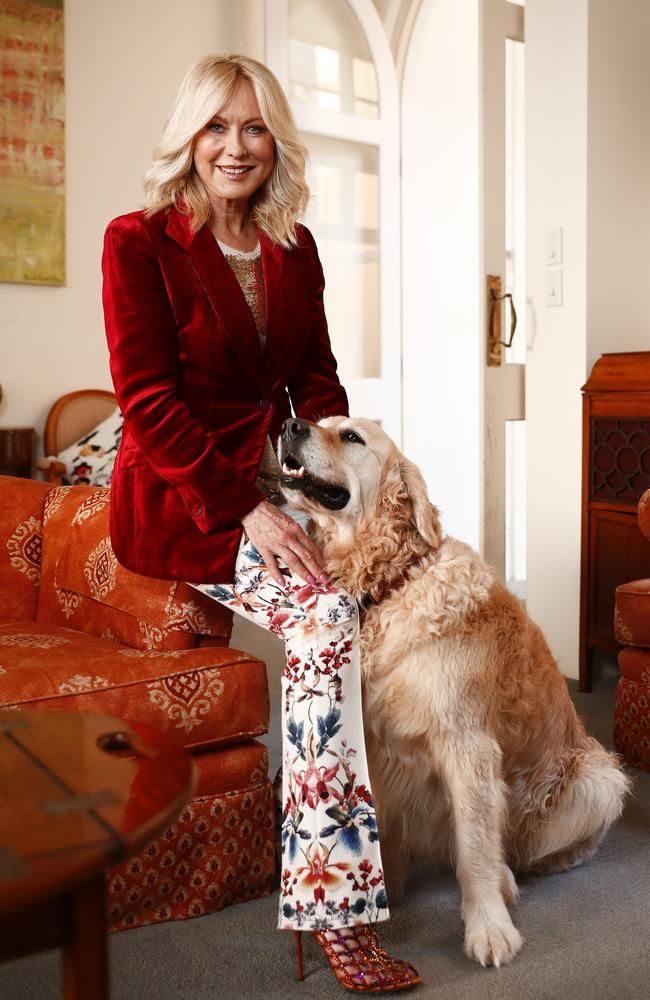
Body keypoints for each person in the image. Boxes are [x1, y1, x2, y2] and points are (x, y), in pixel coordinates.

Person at [102, 53, 421, 993]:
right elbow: (147, 404)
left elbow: (316, 380)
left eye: (253, 128)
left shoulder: (294, 246)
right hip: (187, 502)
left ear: (275, 141)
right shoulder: (139, 241)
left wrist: (347, 487)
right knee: (324, 620)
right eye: (216, 126)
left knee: (389, 582)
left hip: (277, 485)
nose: (235, 147)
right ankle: (332, 907)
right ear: (189, 137)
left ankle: (336, 819)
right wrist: (246, 509)